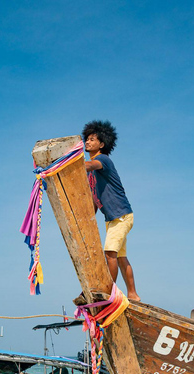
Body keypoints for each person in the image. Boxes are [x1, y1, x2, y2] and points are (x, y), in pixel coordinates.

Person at [82, 120, 140, 301]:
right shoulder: (92, 174)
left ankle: (109, 291)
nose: (88, 142)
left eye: (92, 139)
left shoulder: (102, 160)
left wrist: (66, 164)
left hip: (121, 216)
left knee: (110, 253)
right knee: (121, 257)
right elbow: (95, 200)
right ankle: (133, 294)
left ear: (101, 144)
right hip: (113, 218)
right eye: (87, 139)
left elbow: (89, 165)